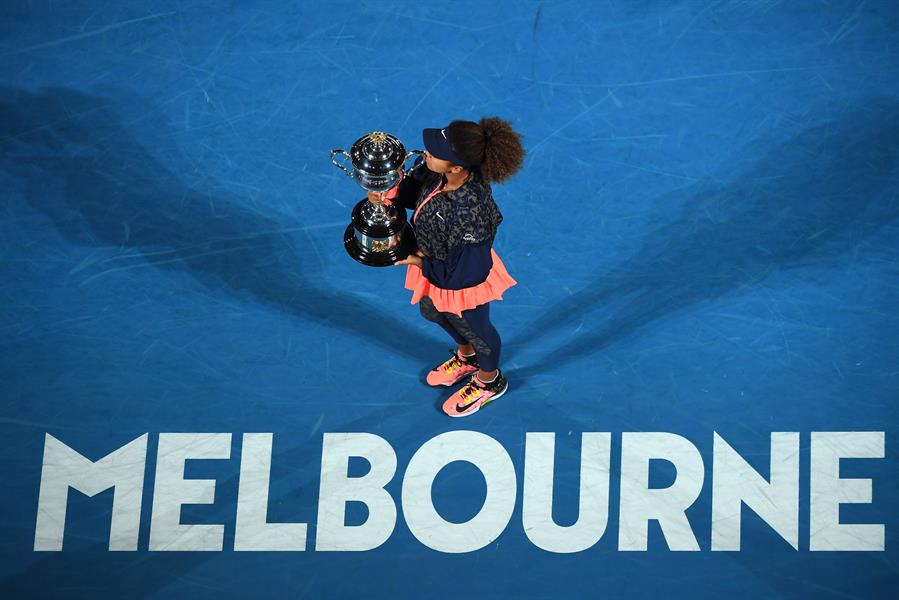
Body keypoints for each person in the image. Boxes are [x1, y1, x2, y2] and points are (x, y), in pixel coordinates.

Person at [368, 117, 524, 417]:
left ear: (456, 168)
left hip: (462, 277)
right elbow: (412, 193)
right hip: (435, 264)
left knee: (476, 328)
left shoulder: (470, 213)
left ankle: (489, 381)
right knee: (432, 311)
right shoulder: (434, 171)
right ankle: (467, 358)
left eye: (435, 151)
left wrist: (416, 260)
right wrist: (387, 193)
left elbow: (465, 269)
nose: (426, 152)